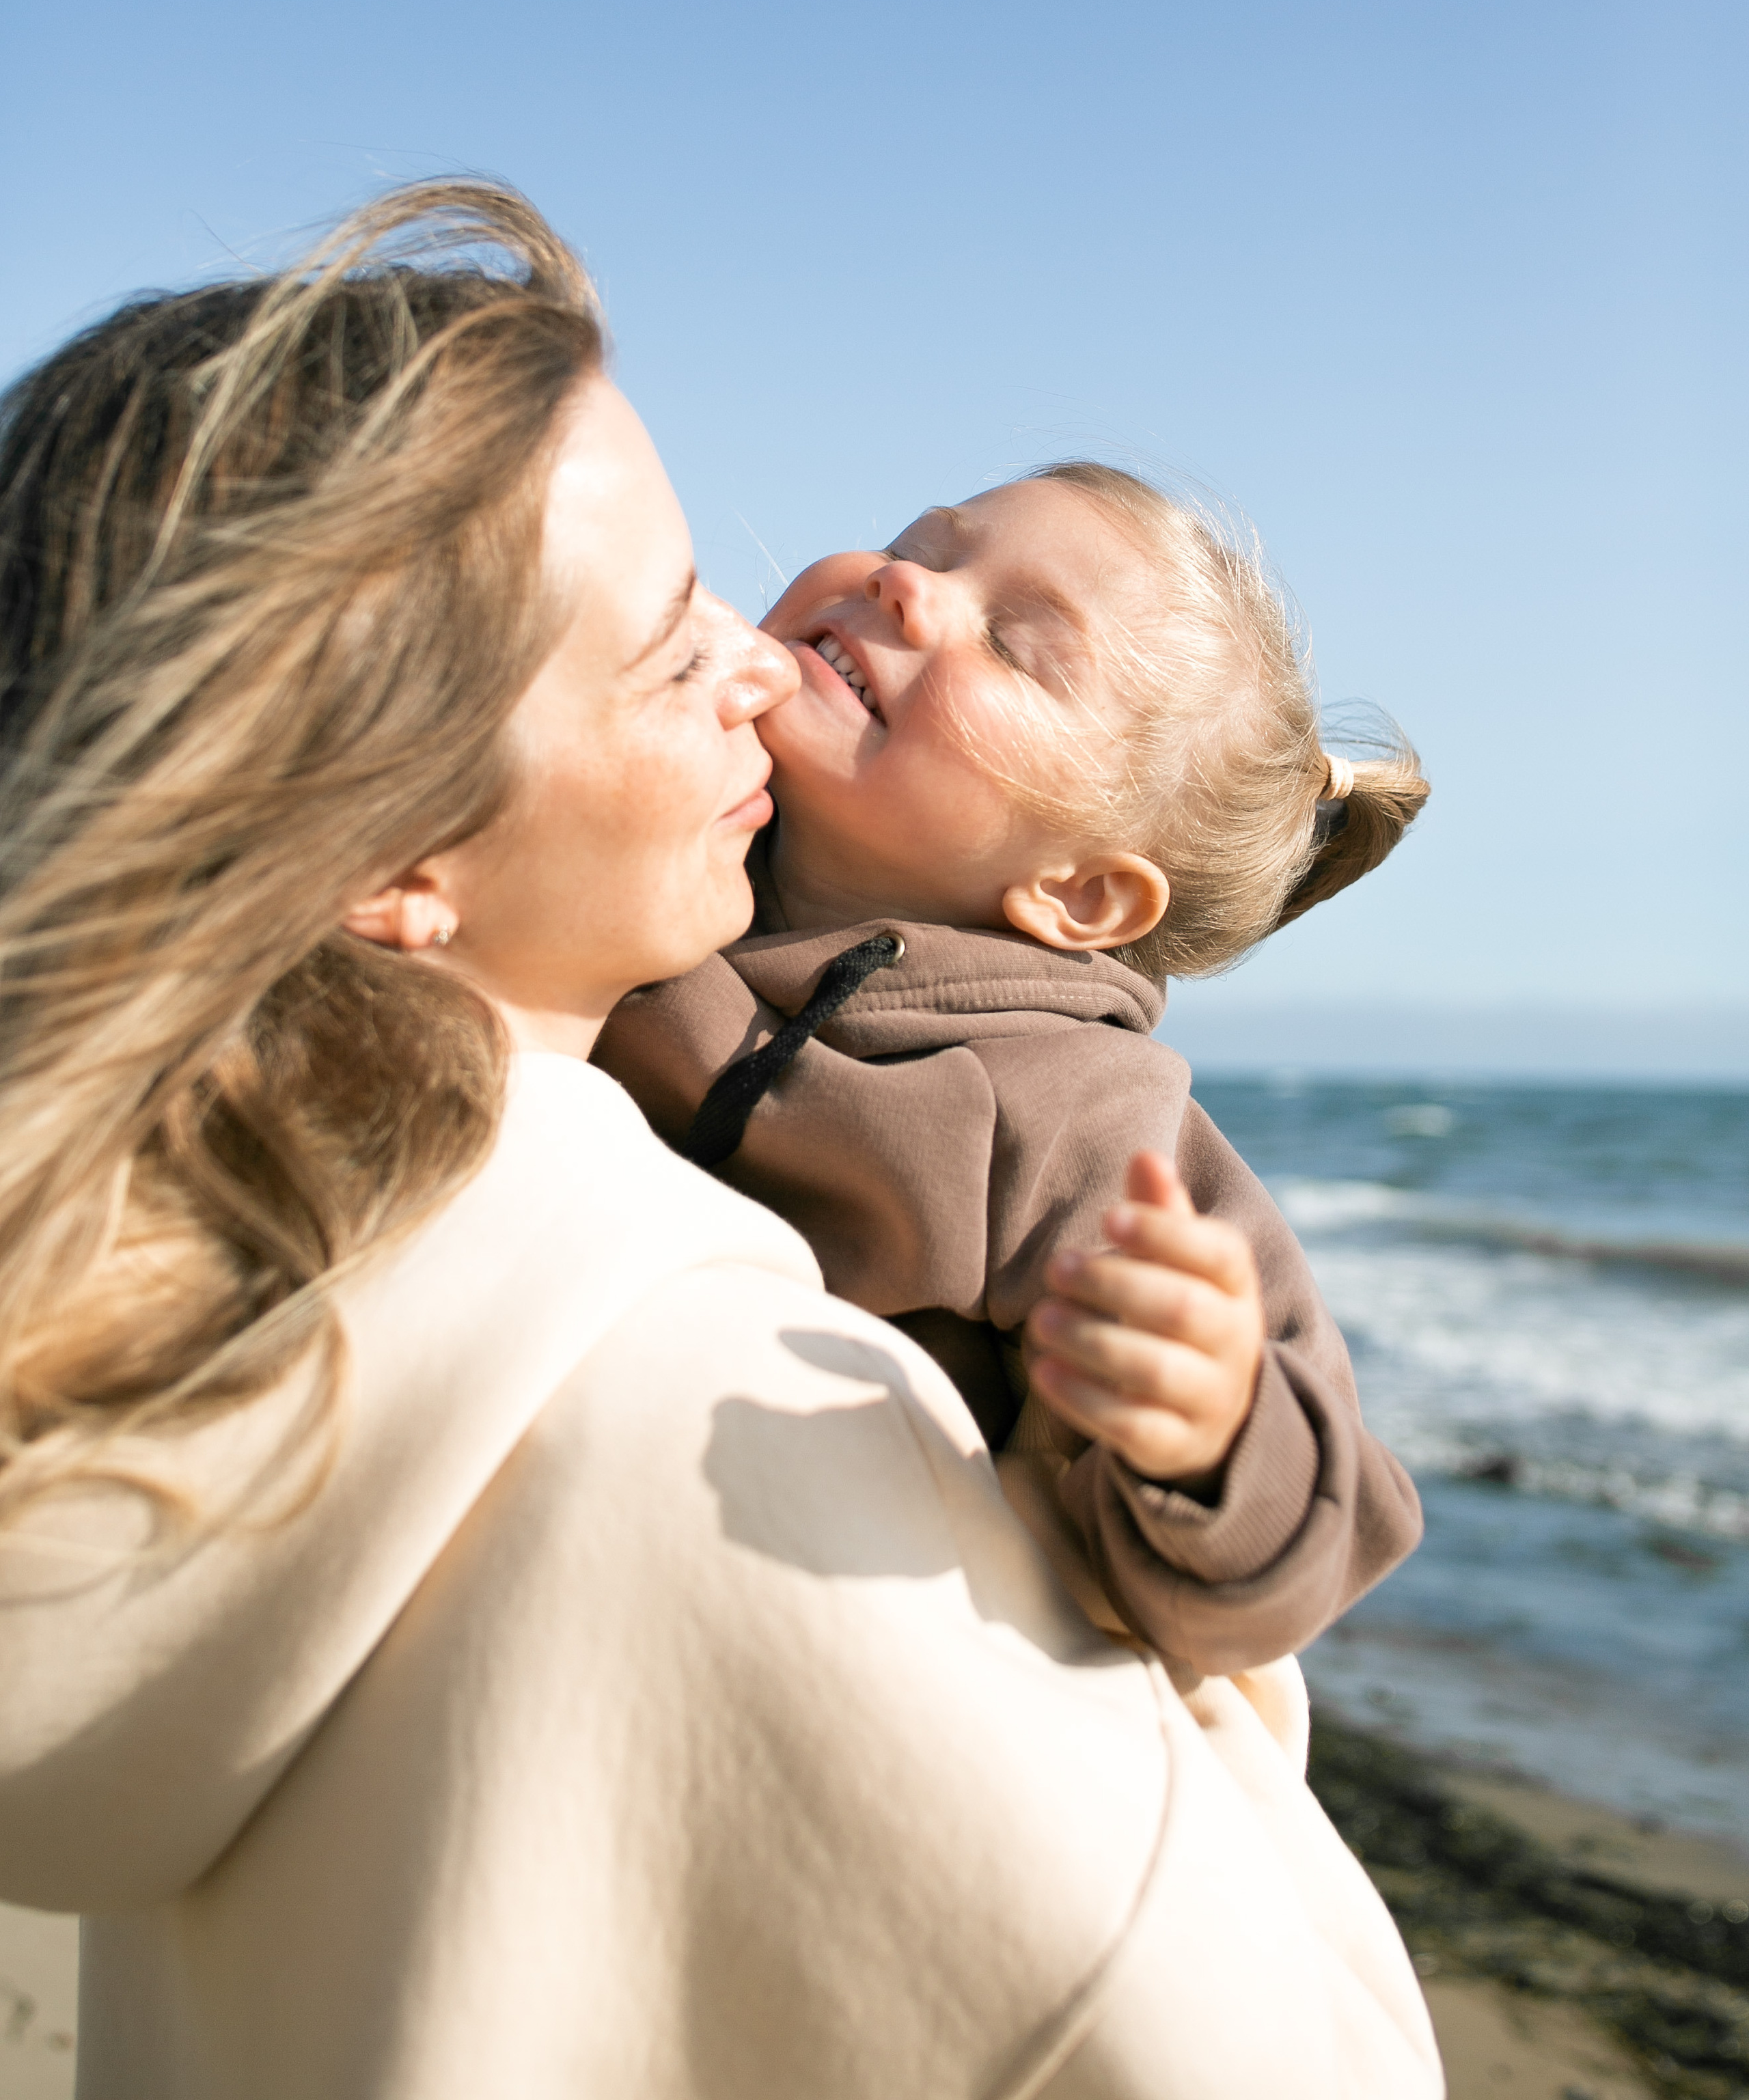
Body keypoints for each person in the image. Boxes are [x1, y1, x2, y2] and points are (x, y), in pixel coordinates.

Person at [0, 182, 1441, 2098]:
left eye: (1018, 635)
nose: (776, 653)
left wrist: (1196, 1457)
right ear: (396, 856)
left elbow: (1290, 1461)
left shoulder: (206, 1256)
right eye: (674, 640)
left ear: (1088, 897)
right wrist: (1240, 1727)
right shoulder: (687, 1409)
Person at [598, 469, 1427, 1671]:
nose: (906, 584)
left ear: (1080, 893)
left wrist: (1210, 1433)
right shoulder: (655, 836)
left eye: (1014, 644)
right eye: (921, 544)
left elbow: (1295, 1551)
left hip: (818, 1626)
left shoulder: (1079, 1115)